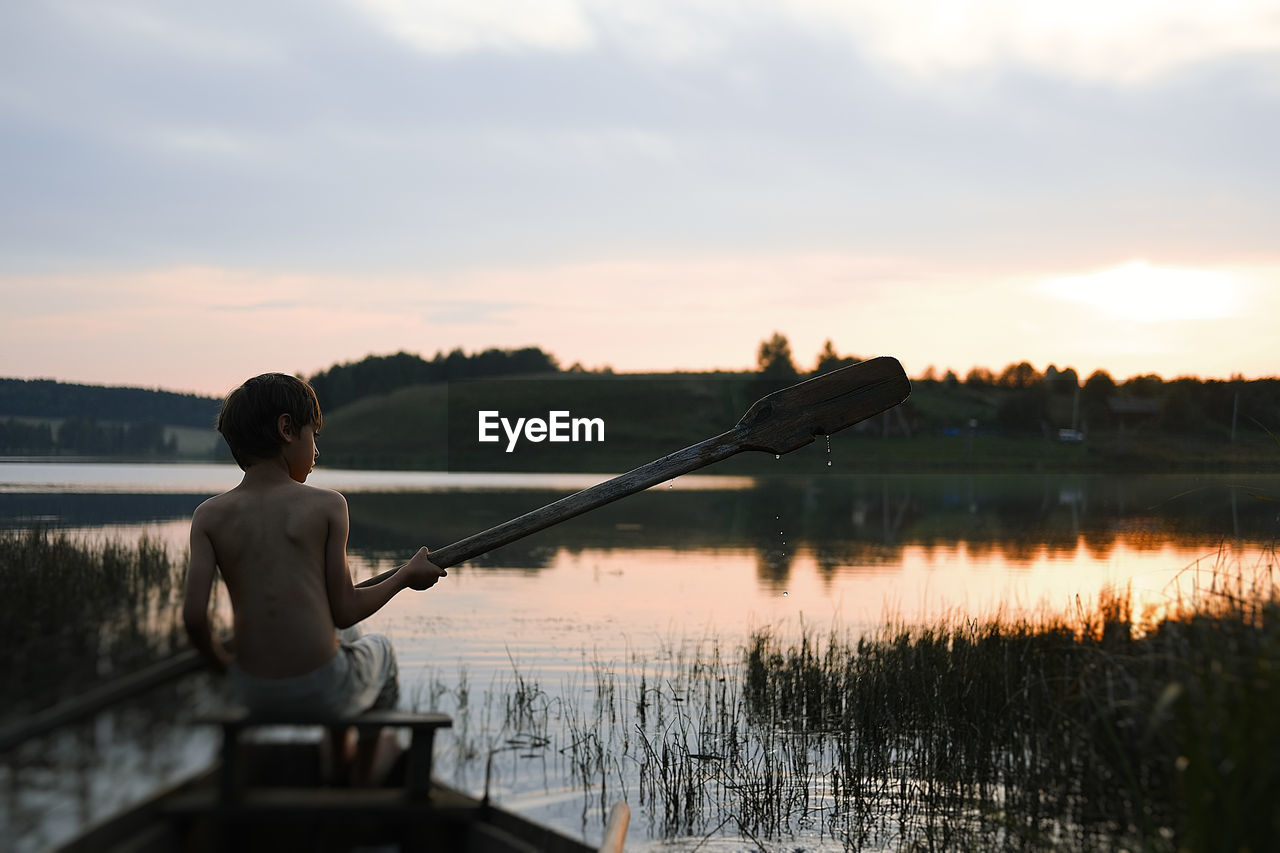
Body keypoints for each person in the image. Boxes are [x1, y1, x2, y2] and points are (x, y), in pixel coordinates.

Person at [182, 372, 445, 776]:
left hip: (251, 690)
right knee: (383, 651)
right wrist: (405, 575)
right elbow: (344, 608)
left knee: (346, 639)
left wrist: (224, 667)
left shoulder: (208, 515)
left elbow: (194, 618)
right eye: (312, 434)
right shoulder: (326, 505)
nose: (316, 450)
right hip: (323, 690)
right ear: (287, 429)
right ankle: (355, 784)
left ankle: (337, 760)